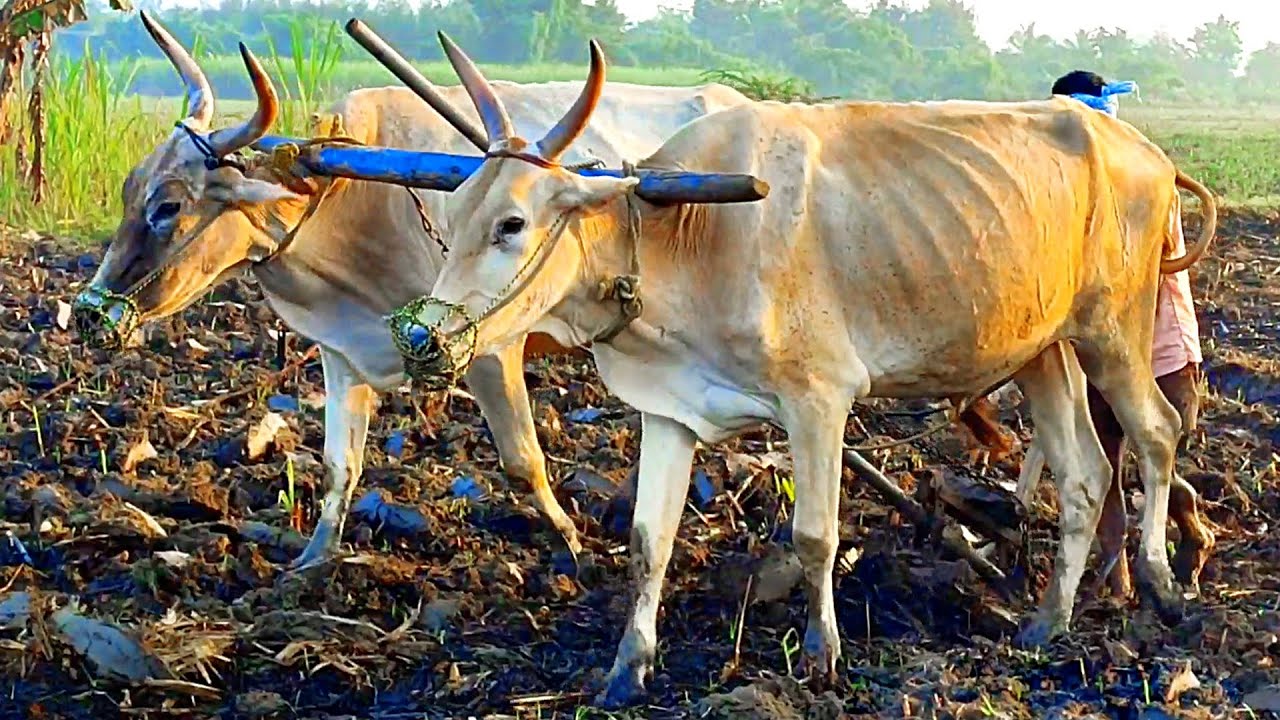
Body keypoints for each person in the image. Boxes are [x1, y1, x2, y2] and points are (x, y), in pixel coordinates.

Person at [956, 70, 1214, 598]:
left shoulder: (1133, 177)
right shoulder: (1078, 188)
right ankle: (1115, 579)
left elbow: (1127, 273)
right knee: (1112, 472)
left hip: (1161, 355)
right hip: (1098, 353)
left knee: (1152, 455)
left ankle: (1186, 527)